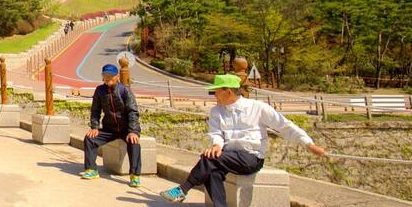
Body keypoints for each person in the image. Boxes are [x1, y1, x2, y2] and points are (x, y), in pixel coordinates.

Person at [160, 75, 327, 205]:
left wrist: (308, 144)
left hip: (251, 157)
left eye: (216, 91)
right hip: (227, 155)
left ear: (228, 92)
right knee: (212, 171)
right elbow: (215, 133)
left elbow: (284, 126)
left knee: (209, 159)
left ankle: (183, 189)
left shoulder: (257, 108)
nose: (214, 95)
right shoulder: (216, 111)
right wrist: (217, 145)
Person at [80, 63, 143, 187]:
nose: (107, 78)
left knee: (134, 142)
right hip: (110, 129)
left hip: (126, 129)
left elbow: (133, 111)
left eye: (110, 76)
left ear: (117, 76)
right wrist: (94, 127)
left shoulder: (124, 90)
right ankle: (92, 170)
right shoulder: (100, 91)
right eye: (105, 75)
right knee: (89, 139)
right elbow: (95, 111)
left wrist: (133, 131)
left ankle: (135, 175)